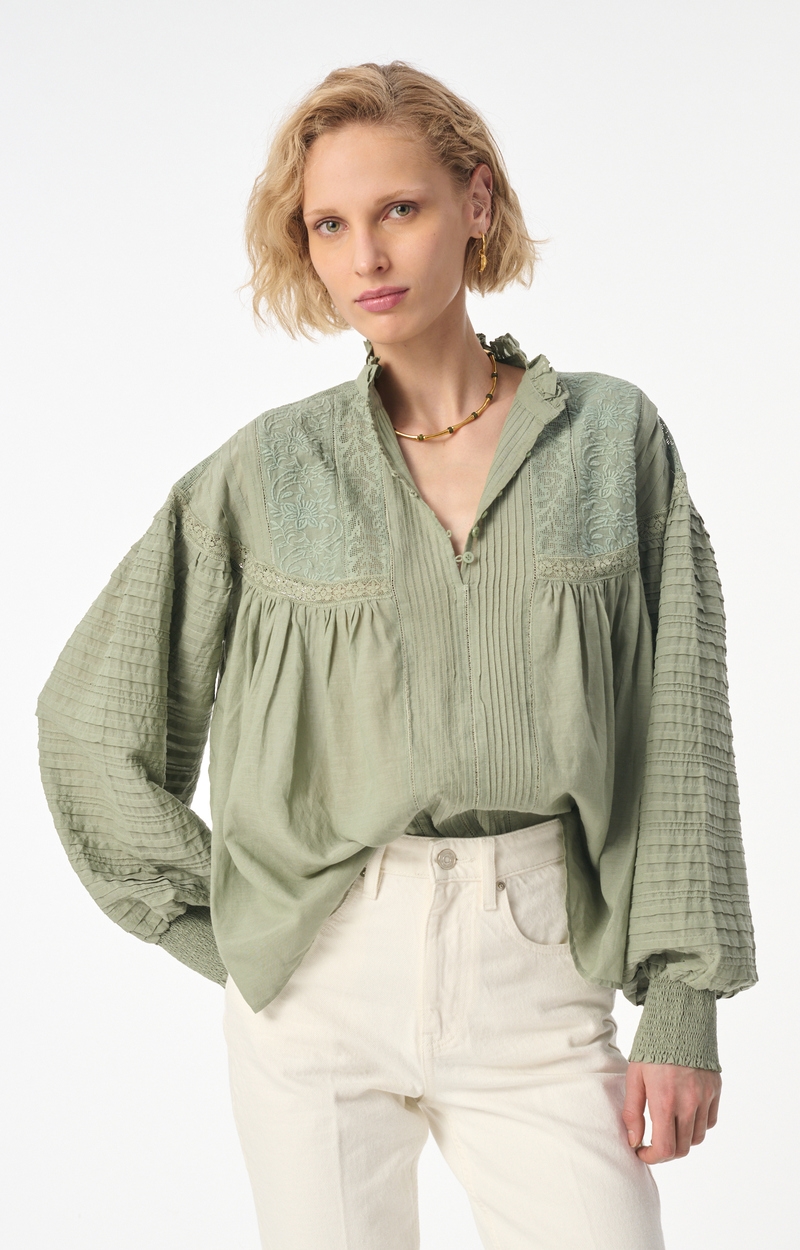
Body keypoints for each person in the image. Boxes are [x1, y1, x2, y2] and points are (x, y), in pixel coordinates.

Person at [36, 60, 757, 1250]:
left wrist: (681, 996)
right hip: (318, 976)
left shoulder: (608, 440)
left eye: (398, 209)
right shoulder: (268, 470)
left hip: (539, 969)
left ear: (474, 202)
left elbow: (676, 724)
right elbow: (87, 721)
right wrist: (229, 930)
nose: (365, 254)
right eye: (328, 224)